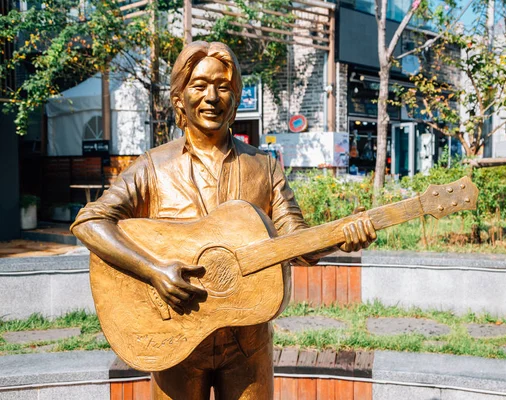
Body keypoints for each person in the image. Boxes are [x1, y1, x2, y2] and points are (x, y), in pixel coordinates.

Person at [71, 41, 376, 400]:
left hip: (247, 343)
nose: (212, 97)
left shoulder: (264, 167)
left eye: (223, 87)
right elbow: (89, 221)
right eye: (199, 86)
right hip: (175, 338)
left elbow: (297, 243)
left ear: (235, 98)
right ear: (179, 97)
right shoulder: (153, 167)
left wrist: (340, 237)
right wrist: (153, 270)